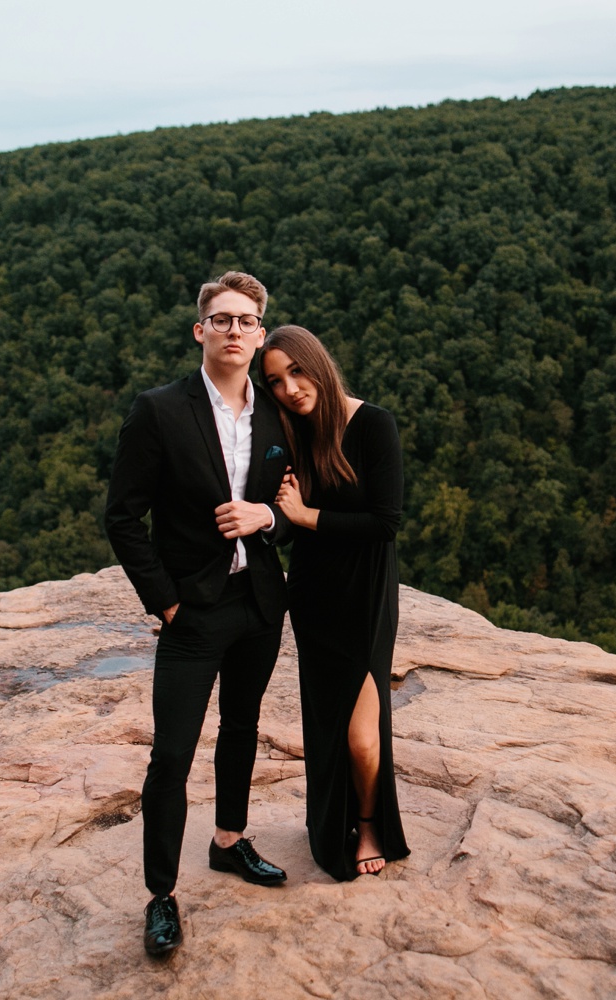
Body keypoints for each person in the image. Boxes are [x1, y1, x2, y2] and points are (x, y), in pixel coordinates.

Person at [104, 272, 294, 958]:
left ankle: (229, 842)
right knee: (172, 756)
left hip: (260, 604)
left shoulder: (278, 414)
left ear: (261, 334)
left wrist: (266, 515)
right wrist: (167, 601)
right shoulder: (158, 410)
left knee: (242, 729)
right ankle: (161, 895)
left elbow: (295, 508)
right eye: (222, 320)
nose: (235, 330)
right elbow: (122, 518)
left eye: (247, 321)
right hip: (192, 613)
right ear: (201, 330)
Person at [260, 324, 410, 881]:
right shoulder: (293, 435)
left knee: (362, 736)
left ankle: (370, 822)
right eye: (275, 381)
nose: (290, 389)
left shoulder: (374, 425)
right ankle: (329, 826)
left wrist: (305, 517)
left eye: (296, 372)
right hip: (315, 597)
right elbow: (284, 524)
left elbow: (385, 523)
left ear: (317, 363)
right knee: (327, 724)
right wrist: (276, 518)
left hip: (366, 596)